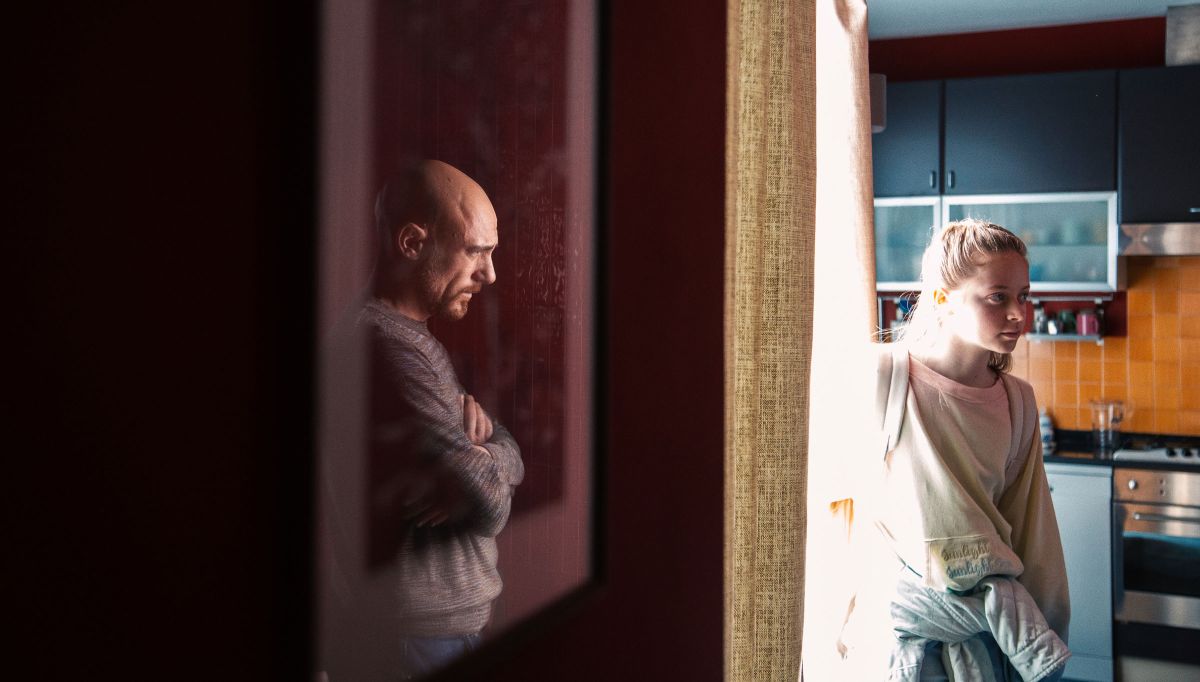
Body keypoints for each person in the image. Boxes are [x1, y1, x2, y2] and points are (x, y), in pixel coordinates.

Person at [829, 219, 1070, 681]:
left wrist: (1047, 637)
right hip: (895, 643)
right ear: (942, 300)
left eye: (1023, 296)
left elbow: (1035, 537)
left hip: (986, 646)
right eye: (997, 297)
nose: (1018, 314)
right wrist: (838, 623)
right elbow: (839, 506)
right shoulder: (884, 377)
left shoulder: (1018, 402)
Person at [361, 159, 524, 679]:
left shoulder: (411, 341)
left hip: (437, 631)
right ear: (412, 243)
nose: (490, 274)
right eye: (475, 251)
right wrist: (481, 465)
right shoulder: (391, 349)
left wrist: (486, 452)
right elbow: (489, 504)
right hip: (421, 639)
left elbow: (501, 447)